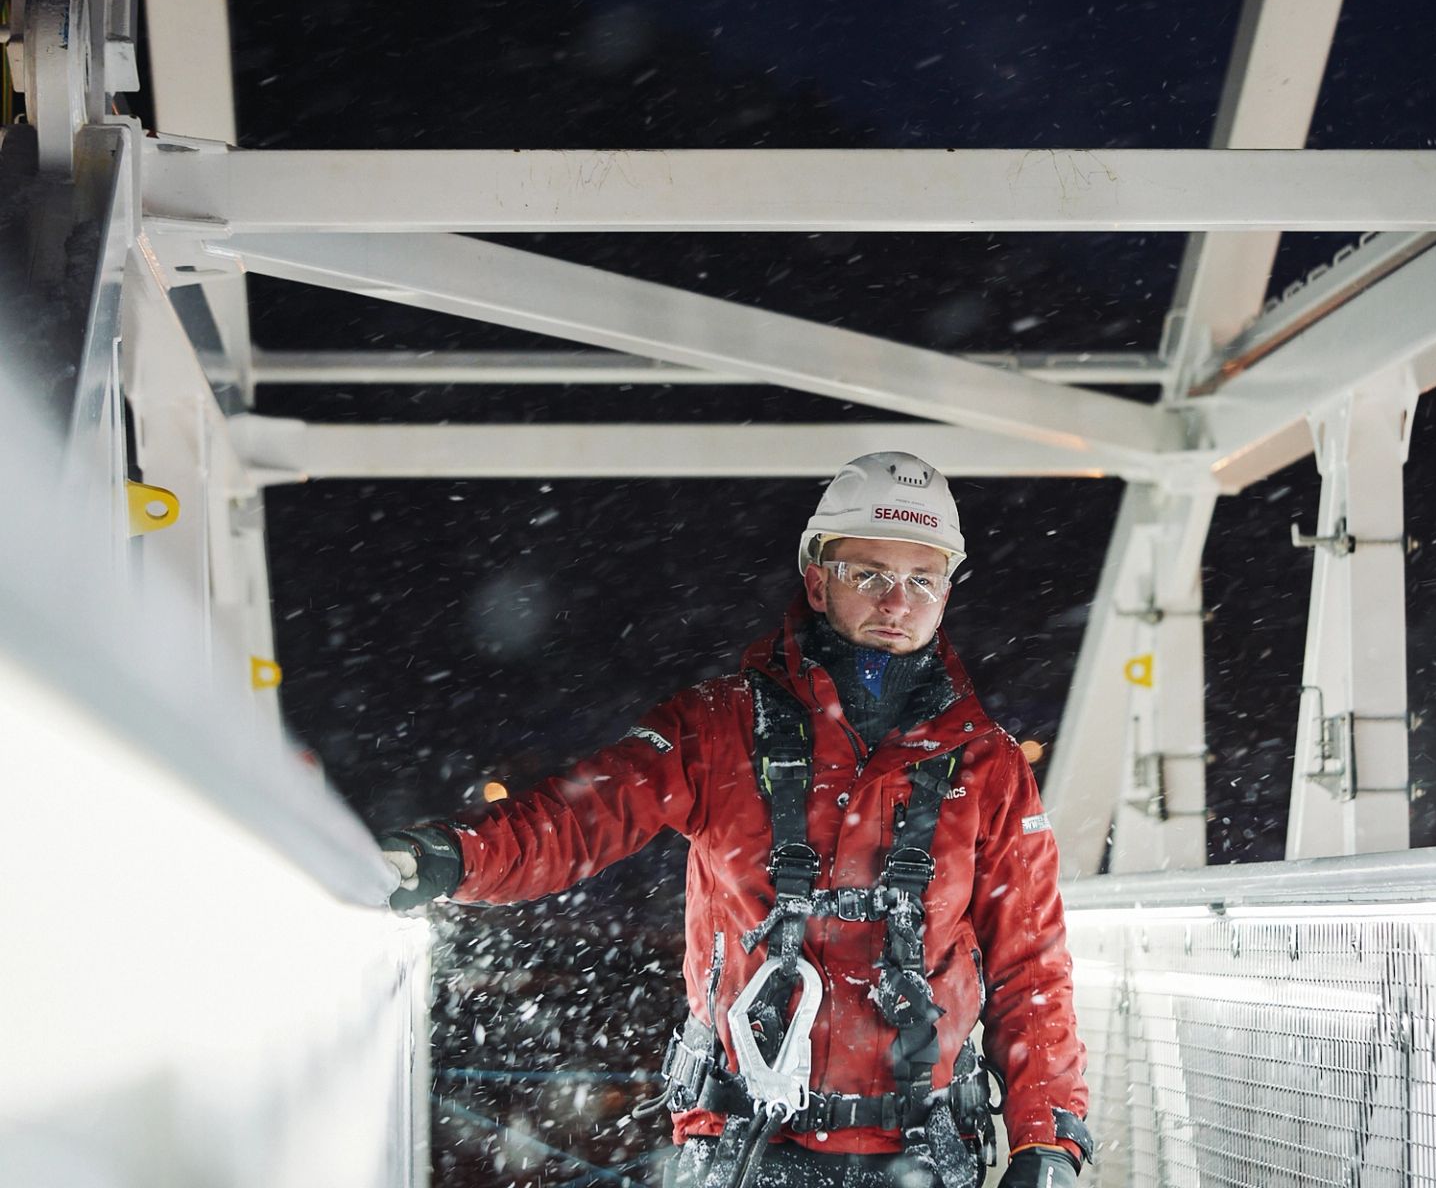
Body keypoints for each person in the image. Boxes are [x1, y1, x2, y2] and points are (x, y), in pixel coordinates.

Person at [380, 452, 1090, 1188]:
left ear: (945, 592)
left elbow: (1030, 964)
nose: (896, 601)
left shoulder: (990, 766)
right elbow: (583, 817)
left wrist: (1046, 1140)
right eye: (868, 574)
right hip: (742, 1143)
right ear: (817, 581)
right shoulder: (719, 728)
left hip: (923, 1147)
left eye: (922, 579)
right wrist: (450, 858)